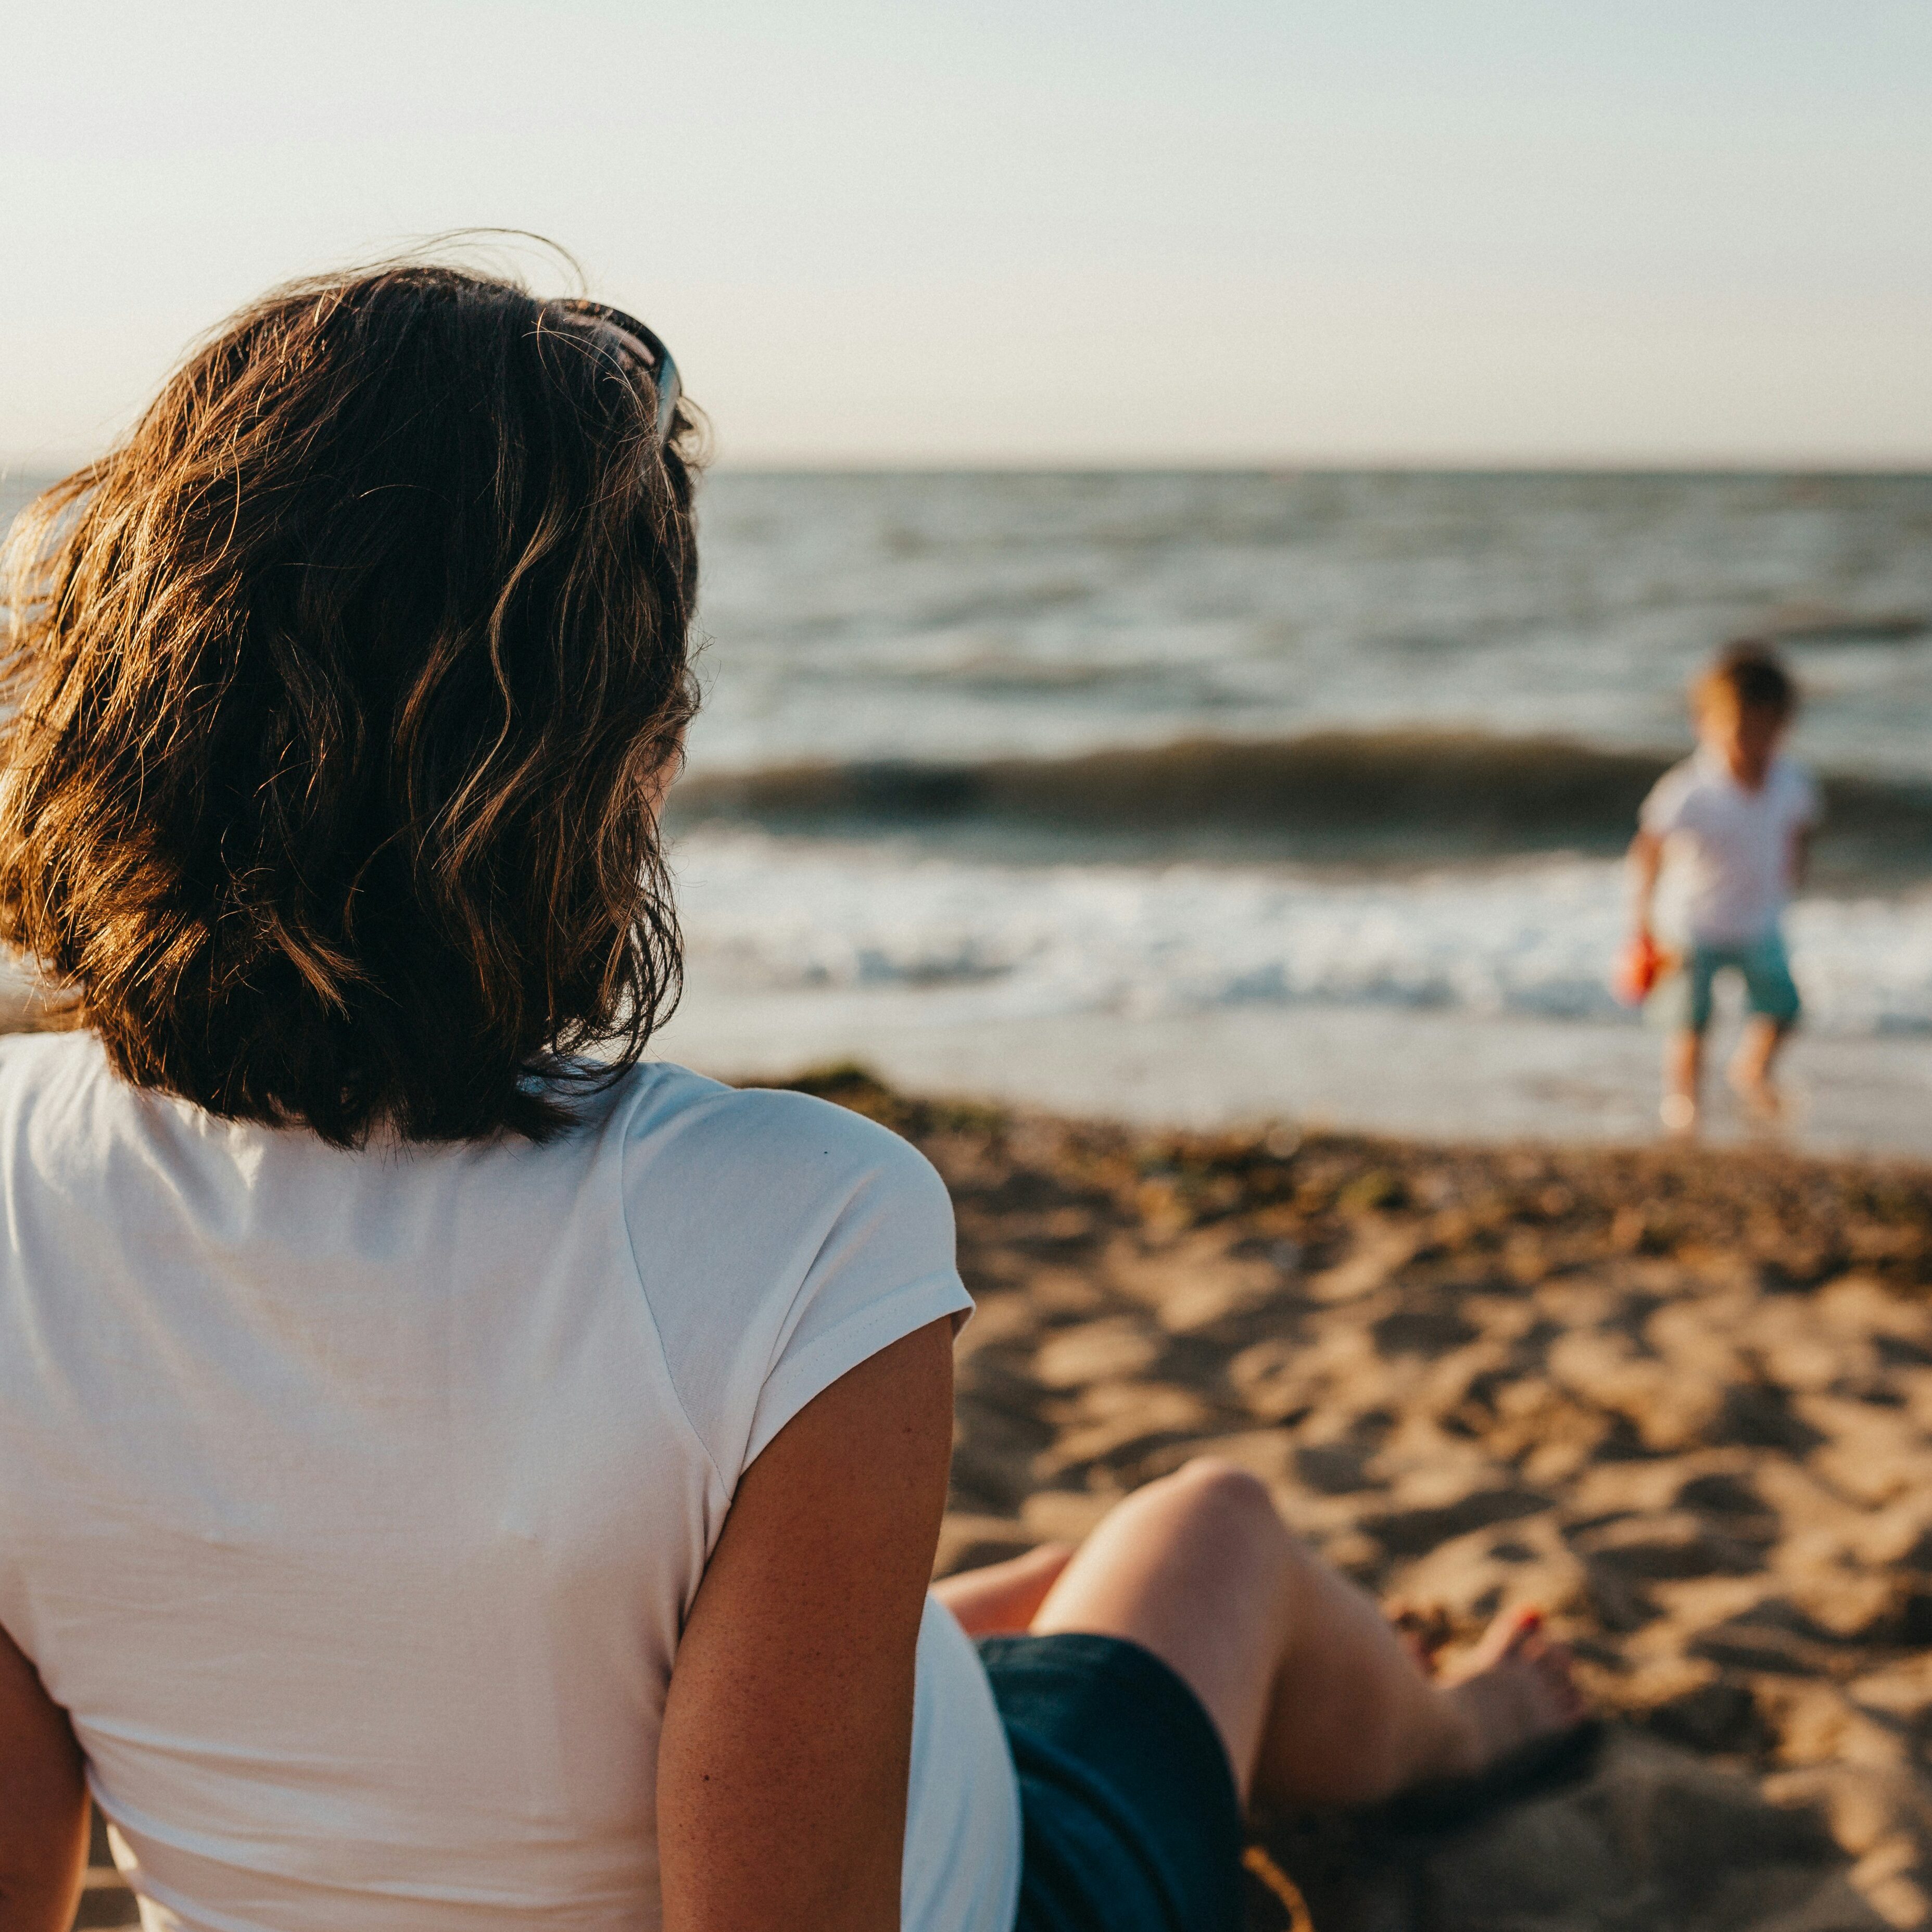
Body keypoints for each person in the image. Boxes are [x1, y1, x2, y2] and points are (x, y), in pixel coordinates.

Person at [0, 259, 1583, 1932]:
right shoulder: (799, 1223)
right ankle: (1469, 1734)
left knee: (988, 1602)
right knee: (1214, 1533)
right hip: (1012, 1889)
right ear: (622, 762)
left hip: (620, 1725)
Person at [1627, 643, 1818, 1137]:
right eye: (1741, 729)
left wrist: (1791, 875)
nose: (1753, 743)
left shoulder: (1791, 781)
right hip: (1691, 924)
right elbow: (1647, 849)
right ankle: (1684, 1104)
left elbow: (1799, 829)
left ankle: (1751, 1069)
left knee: (1784, 1010)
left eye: (1766, 730)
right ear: (1704, 723)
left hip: (1758, 921)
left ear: (1783, 726)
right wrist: (1641, 925)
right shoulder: (1689, 789)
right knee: (1690, 1023)